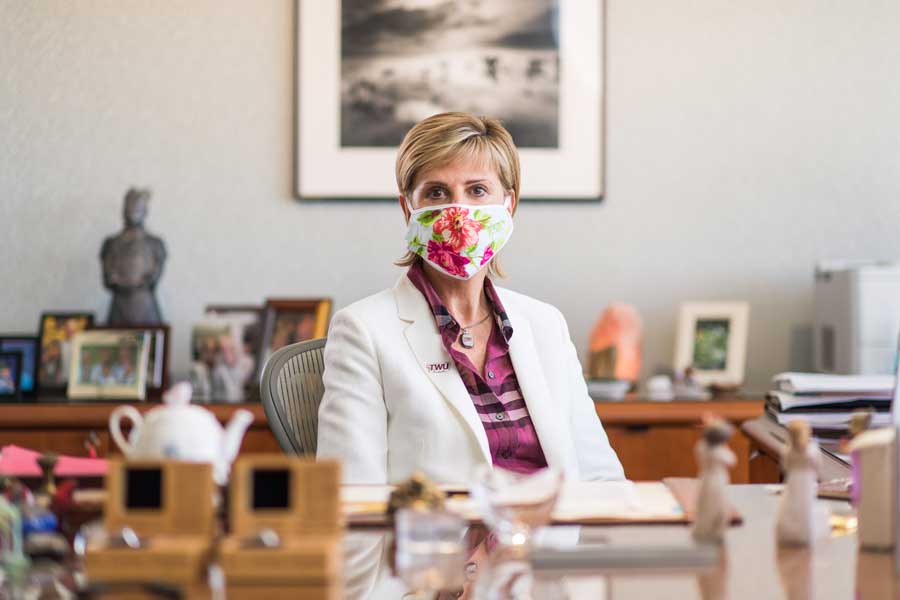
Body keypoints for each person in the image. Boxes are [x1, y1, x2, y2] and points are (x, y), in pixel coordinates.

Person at [317, 112, 624, 484]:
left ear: (508, 205)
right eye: (437, 192)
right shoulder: (363, 330)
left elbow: (600, 478)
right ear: (408, 209)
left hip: (549, 539)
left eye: (477, 191)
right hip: (439, 540)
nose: (457, 212)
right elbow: (352, 498)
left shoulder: (545, 324)